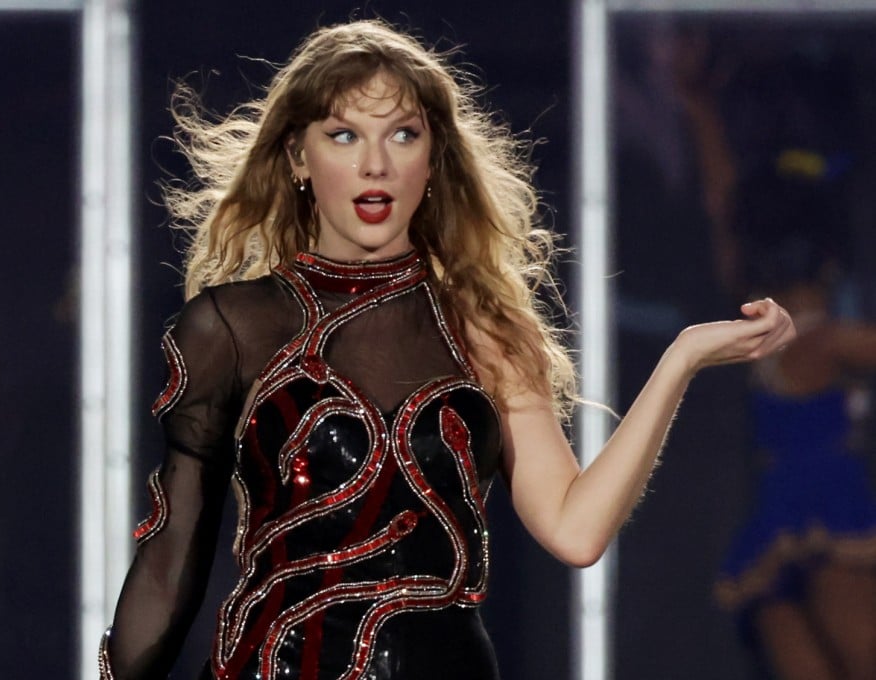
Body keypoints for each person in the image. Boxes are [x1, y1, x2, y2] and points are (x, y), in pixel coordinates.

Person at [102, 20, 795, 680]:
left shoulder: (484, 327)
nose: (375, 164)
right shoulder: (232, 326)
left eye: (402, 134)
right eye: (344, 135)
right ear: (297, 157)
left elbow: (575, 531)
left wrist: (679, 361)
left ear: (432, 160)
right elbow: (172, 556)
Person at [714, 189, 876, 678]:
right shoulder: (824, 340)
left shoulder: (758, 329)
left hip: (777, 528)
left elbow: (723, 221)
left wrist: (702, 122)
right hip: (830, 516)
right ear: (829, 263)